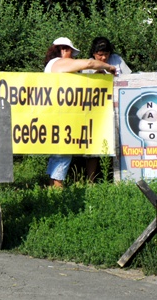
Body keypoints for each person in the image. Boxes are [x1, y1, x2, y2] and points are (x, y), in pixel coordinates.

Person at [44, 37, 116, 188]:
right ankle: (57, 194)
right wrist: (109, 67)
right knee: (62, 156)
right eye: (71, 52)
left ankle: (51, 190)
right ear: (62, 49)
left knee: (57, 157)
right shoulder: (58, 63)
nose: (72, 57)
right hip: (61, 117)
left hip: (56, 115)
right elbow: (89, 63)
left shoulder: (53, 66)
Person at [81, 37, 131, 182]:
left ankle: (115, 179)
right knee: (94, 146)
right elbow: (83, 87)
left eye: (106, 54)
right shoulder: (88, 64)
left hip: (118, 108)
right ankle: (90, 181)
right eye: (100, 54)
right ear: (94, 53)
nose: (103, 57)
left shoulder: (117, 60)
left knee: (116, 143)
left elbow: (130, 79)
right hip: (96, 112)